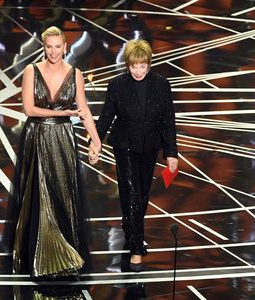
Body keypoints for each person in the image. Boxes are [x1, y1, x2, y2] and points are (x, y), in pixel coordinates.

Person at [8, 26, 101, 278]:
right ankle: (38, 253)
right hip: (36, 137)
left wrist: (96, 140)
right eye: (49, 46)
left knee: (63, 192)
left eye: (58, 46)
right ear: (43, 46)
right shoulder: (31, 71)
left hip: (62, 139)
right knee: (39, 194)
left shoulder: (76, 74)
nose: (53, 51)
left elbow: (84, 110)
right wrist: (64, 113)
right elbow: (29, 109)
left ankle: (64, 250)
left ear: (65, 47)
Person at [93, 39, 178, 272]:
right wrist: (96, 141)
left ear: (149, 64)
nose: (138, 71)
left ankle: (130, 225)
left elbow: (168, 120)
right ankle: (136, 250)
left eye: (143, 66)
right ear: (127, 65)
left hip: (150, 147)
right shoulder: (117, 85)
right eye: (133, 66)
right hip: (124, 146)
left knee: (141, 196)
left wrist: (171, 153)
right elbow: (107, 116)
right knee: (130, 194)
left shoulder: (162, 85)